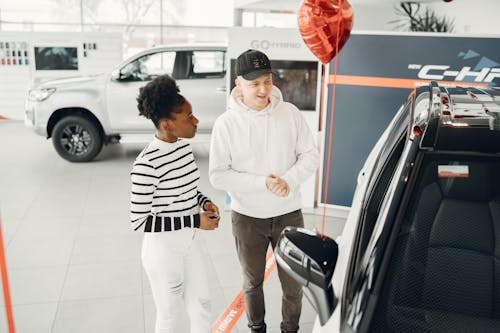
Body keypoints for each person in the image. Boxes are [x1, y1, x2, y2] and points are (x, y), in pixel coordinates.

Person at [209, 49, 319, 333]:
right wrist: (263, 183)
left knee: (293, 284)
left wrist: (289, 180)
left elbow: (310, 155)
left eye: (267, 81)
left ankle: (290, 330)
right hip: (247, 218)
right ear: (238, 84)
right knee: (252, 282)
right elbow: (218, 175)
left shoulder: (290, 114)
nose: (262, 89)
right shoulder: (226, 124)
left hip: (289, 215)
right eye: (254, 83)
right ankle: (256, 328)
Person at [130, 74, 220, 333]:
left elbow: (187, 190)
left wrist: (203, 202)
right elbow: (140, 221)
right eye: (188, 117)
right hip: (163, 252)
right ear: (167, 124)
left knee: (202, 307)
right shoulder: (146, 164)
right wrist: (194, 220)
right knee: (169, 315)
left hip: (190, 243)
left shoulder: (182, 147)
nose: (196, 121)